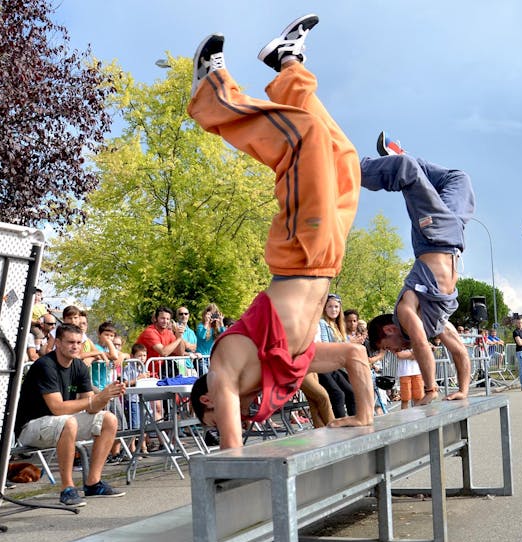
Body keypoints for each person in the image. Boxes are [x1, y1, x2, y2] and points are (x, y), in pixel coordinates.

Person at [186, 16, 373, 449]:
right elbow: (354, 353)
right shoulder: (285, 368)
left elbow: (230, 450)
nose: (224, 414)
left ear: (208, 400)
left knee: (302, 139)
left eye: (211, 413)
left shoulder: (227, 363)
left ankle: (211, 92)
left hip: (299, 254)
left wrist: (224, 432)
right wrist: (363, 418)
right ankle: (287, 62)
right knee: (345, 161)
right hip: (327, 258)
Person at [363, 133, 475, 404]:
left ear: (388, 331)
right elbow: (459, 351)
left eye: (387, 348)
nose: (395, 351)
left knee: (406, 171)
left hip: (433, 235)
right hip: (454, 235)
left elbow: (422, 346)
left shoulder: (405, 311)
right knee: (459, 179)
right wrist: (463, 388)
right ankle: (401, 155)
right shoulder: (434, 325)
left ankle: (344, 168)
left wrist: (430, 391)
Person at [14, 323, 126, 506]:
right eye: (70, 342)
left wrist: (106, 396)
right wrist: (94, 400)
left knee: (109, 419)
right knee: (69, 422)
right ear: (57, 342)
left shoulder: (79, 367)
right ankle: (67, 488)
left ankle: (93, 483)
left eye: (79, 342)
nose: (75, 346)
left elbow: (91, 408)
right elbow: (57, 408)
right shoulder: (45, 365)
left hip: (59, 423)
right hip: (31, 427)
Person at [316, 294, 355, 417]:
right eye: (330, 307)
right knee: (338, 394)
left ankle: (355, 420)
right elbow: (326, 346)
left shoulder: (339, 327)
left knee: (351, 391)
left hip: (335, 366)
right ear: (325, 308)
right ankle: (341, 425)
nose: (334, 310)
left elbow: (346, 346)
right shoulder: (323, 323)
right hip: (323, 365)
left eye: (336, 307)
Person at [136, 306, 187, 377]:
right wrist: (178, 339)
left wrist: (180, 336)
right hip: (146, 375)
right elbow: (164, 352)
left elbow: (180, 353)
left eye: (168, 319)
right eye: (162, 318)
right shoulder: (149, 332)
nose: (165, 321)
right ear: (156, 318)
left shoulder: (168, 333)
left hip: (161, 373)